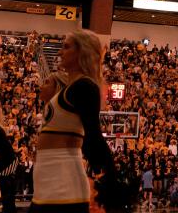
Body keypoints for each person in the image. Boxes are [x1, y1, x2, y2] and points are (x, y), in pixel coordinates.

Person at [31, 30, 119, 213]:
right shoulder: (70, 88)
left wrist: (111, 177)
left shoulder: (85, 86)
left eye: (66, 47)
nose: (60, 52)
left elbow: (93, 137)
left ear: (82, 52)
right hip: (48, 175)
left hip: (64, 178)